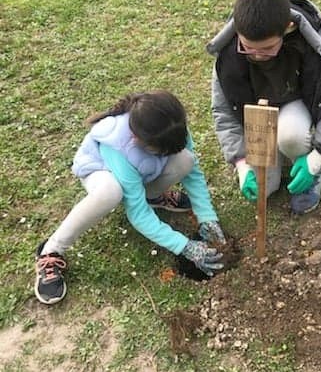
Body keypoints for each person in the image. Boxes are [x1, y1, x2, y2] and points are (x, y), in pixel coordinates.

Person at [34, 90, 225, 305]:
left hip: (140, 171)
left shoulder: (170, 126)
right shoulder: (118, 147)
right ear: (137, 139)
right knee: (111, 192)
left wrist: (207, 217)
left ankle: (152, 196)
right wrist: (184, 246)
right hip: (101, 172)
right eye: (161, 152)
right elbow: (139, 215)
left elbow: (192, 172)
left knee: (186, 159)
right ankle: (51, 251)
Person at [207, 0, 321, 215]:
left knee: (291, 136)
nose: (257, 55)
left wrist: (317, 158)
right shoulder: (228, 56)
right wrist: (241, 163)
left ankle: (307, 169)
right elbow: (223, 111)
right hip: (255, 118)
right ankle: (273, 157)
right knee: (265, 189)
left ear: (287, 28)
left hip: (294, 105)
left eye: (267, 48)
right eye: (248, 47)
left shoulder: (314, 48)